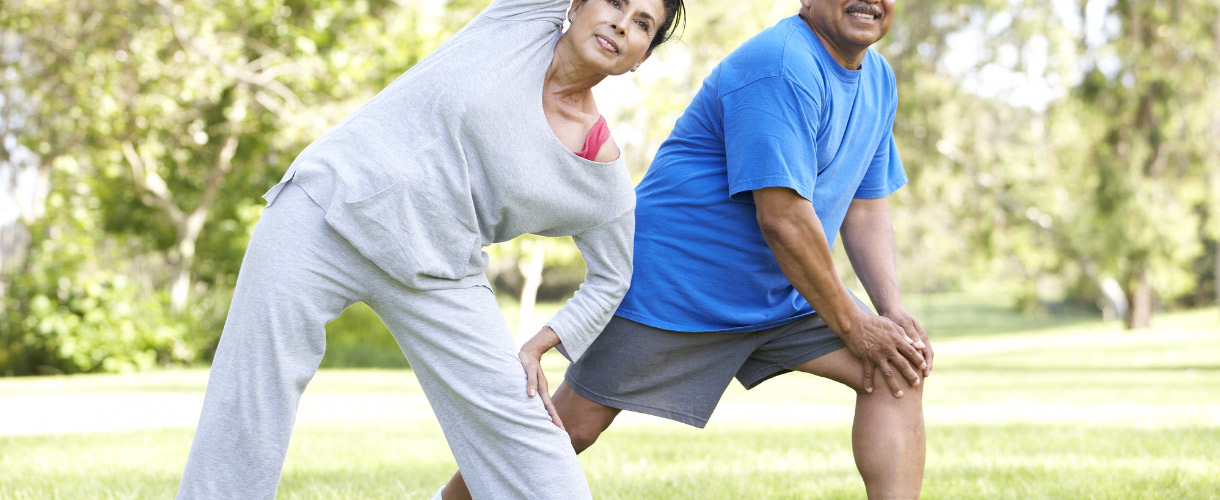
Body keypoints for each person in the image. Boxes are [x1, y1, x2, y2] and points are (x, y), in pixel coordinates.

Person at [175, 0, 685, 498]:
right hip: (325, 209)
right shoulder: (522, 18)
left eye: (642, 23)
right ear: (575, 4)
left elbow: (612, 276)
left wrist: (541, 342)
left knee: (521, 424)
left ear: (640, 57)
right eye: (614, 1)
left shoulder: (600, 172)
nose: (620, 22)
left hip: (438, 272)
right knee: (251, 397)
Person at [442, 0, 930, 498]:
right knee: (573, 429)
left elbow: (865, 205)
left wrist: (890, 312)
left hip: (781, 290)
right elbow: (782, 219)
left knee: (896, 368)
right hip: (674, 284)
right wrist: (855, 323)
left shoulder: (878, 80)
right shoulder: (782, 64)